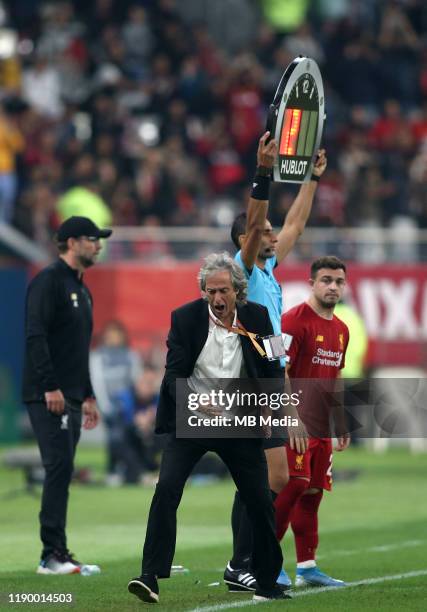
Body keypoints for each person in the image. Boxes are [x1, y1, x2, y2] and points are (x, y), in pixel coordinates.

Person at [127, 252, 294, 604]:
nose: (217, 298)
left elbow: (274, 368)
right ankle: (149, 576)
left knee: (260, 500)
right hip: (193, 420)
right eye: (210, 291)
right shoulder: (184, 319)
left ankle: (265, 581)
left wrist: (269, 407)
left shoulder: (259, 317)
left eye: (224, 291)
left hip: (238, 421)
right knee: (167, 489)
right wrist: (193, 399)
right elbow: (172, 378)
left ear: (238, 291)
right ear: (203, 291)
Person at [225, 131, 326, 590]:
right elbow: (259, 216)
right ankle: (242, 561)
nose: (273, 233)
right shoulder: (242, 267)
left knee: (273, 475)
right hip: (247, 382)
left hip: (267, 379)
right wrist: (263, 173)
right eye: (265, 231)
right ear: (247, 238)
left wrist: (310, 179)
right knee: (265, 475)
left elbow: (296, 226)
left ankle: (243, 560)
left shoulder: (266, 267)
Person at [22, 215, 112, 575]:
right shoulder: (48, 282)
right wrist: (50, 386)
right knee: (58, 468)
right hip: (49, 396)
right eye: (93, 239)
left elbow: (78, 349)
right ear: (72, 242)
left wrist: (87, 395)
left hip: (71, 395)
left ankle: (59, 551)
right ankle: (51, 555)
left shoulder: (82, 288)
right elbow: (35, 336)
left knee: (64, 469)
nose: (99, 245)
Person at [274, 255, 350, 587]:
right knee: (294, 485)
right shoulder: (291, 321)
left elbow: (336, 377)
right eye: (326, 280)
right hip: (295, 423)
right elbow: (280, 371)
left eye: (338, 281)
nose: (333, 286)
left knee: (313, 493)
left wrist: (341, 420)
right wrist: (291, 418)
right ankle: (267, 560)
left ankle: (306, 567)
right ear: (312, 283)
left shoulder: (342, 330)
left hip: (321, 426)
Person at [90, 320, 144, 484]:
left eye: (117, 335)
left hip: (128, 406)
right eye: (110, 335)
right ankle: (113, 470)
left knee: (128, 436)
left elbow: (137, 379)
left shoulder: (130, 355)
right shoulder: (97, 356)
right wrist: (105, 405)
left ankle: (127, 469)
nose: (113, 338)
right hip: (109, 406)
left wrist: (134, 405)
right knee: (114, 437)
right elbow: (97, 382)